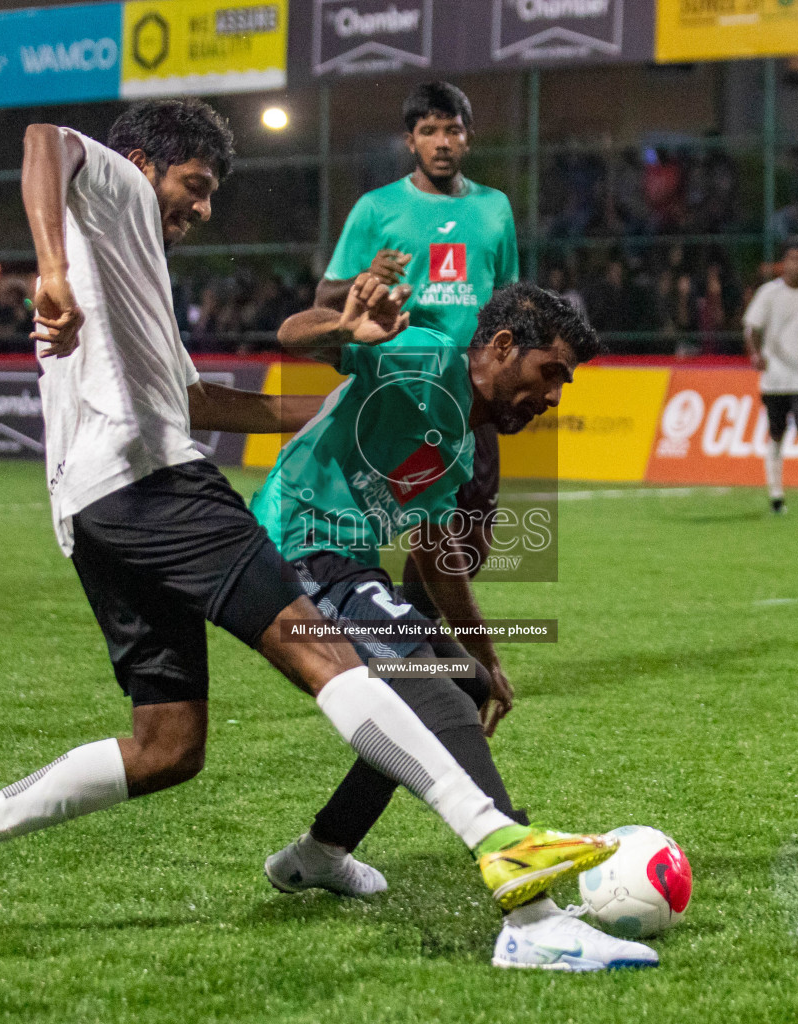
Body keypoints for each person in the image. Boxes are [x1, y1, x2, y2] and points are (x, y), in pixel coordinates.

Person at [0, 99, 618, 942]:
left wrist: (324, 411)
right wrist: (48, 269)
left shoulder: (137, 271)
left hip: (94, 508)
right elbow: (43, 141)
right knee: (338, 657)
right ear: (141, 163)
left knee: (168, 747)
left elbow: (197, 400)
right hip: (156, 483)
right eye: (193, 187)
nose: (199, 209)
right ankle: (506, 852)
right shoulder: (117, 189)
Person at [254, 278, 655, 971]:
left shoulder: (461, 446)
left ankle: (321, 853)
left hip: (344, 562)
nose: (555, 395)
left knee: (462, 687)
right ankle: (531, 919)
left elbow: (436, 552)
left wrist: (487, 659)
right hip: (298, 550)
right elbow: (293, 335)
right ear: (502, 347)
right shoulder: (426, 357)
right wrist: (349, 329)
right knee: (433, 695)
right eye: (551, 373)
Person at [314, 80, 519, 672]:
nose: (442, 141)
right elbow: (325, 296)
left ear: (468, 138)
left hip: (472, 390)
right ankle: (407, 646)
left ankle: (408, 627)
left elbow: (506, 298)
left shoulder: (494, 208)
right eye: (428, 131)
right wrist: (364, 279)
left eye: (452, 129)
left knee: (475, 533)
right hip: (402, 387)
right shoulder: (376, 209)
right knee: (418, 523)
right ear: (410, 141)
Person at [743, 240, 798, 516]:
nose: (795, 264)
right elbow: (751, 328)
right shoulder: (769, 294)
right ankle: (776, 496)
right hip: (775, 380)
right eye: (791, 259)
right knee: (777, 436)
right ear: (784, 263)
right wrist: (755, 354)